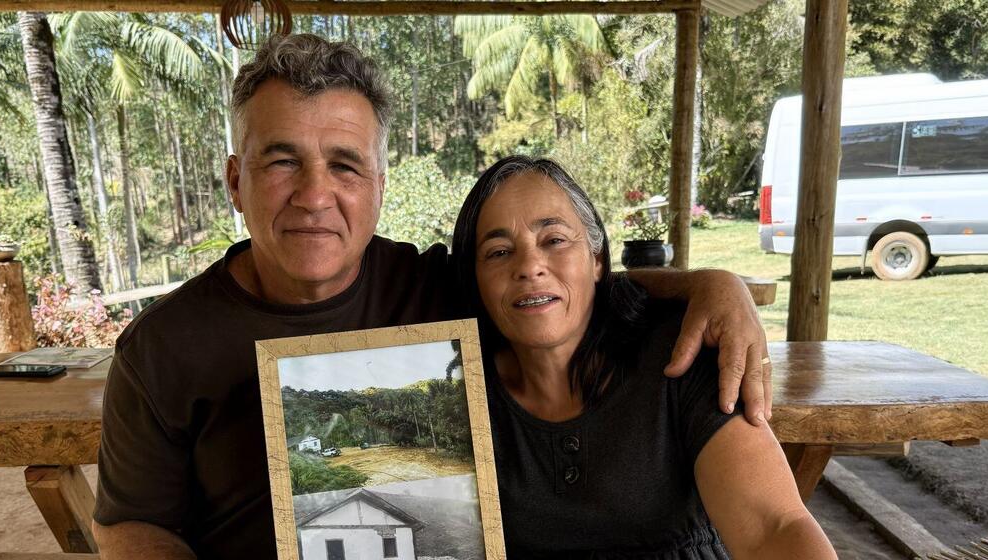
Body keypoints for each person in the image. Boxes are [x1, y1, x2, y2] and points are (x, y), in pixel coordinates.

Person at [92, 34, 773, 559]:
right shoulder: (161, 349)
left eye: (344, 164)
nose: (315, 194)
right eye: (281, 161)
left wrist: (714, 286)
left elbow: (554, 282)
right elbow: (130, 523)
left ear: (379, 186)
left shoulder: (431, 286)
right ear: (236, 180)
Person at [451, 155, 837, 559]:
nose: (529, 266)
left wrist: (717, 283)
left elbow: (773, 528)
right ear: (474, 278)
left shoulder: (678, 356)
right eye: (498, 252)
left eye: (554, 240)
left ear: (597, 261)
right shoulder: (460, 390)